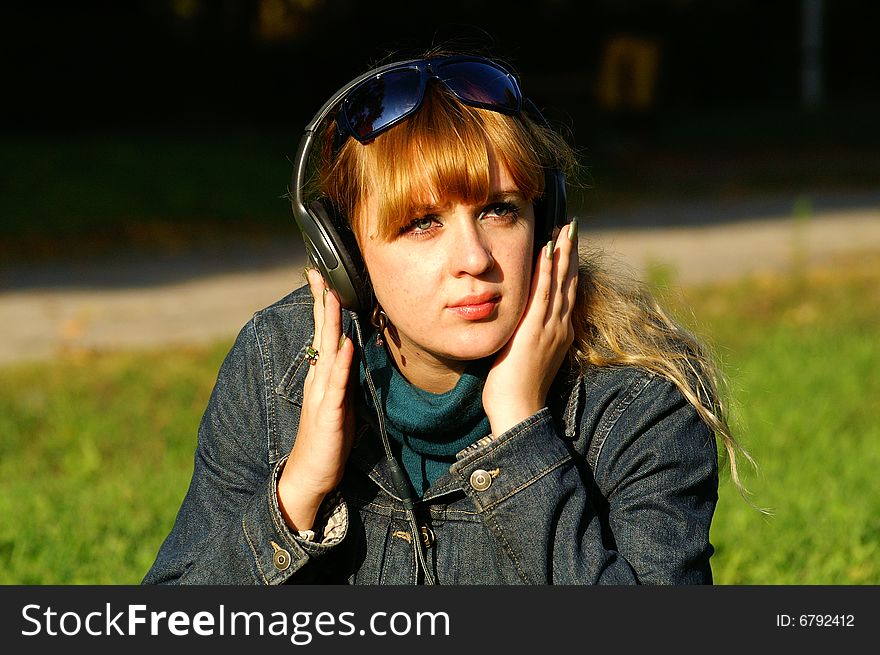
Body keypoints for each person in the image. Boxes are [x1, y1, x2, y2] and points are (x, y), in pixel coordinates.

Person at [143, 49, 748, 585]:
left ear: (546, 219)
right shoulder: (274, 369)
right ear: (345, 256)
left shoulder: (636, 399)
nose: (474, 259)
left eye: (500, 211)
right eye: (422, 224)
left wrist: (521, 434)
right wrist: (296, 493)